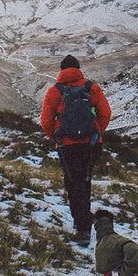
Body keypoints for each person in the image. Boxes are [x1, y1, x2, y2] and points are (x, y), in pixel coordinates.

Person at [39, 54, 111, 245]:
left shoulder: (54, 92)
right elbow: (105, 114)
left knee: (73, 183)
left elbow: (46, 122)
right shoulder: (92, 88)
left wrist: (58, 138)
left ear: (61, 70)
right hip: (91, 145)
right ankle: (85, 222)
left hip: (67, 147)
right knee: (85, 181)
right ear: (78, 69)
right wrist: (96, 135)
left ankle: (82, 228)